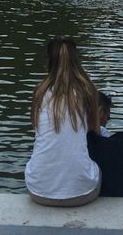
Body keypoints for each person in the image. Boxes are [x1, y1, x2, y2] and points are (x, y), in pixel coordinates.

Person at [25, 36, 100, 206]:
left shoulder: (40, 92)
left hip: (38, 191)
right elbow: (96, 131)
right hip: (82, 193)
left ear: (49, 62)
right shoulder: (88, 91)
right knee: (98, 165)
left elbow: (37, 128)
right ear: (77, 61)